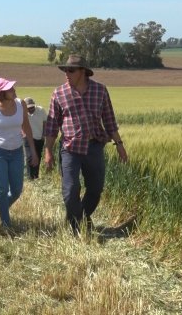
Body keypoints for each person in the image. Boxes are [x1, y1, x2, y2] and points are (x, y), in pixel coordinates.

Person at [44, 54, 128, 236]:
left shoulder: (100, 91)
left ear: (83, 71)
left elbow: (109, 121)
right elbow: (51, 127)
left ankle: (77, 218)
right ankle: (78, 227)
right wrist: (48, 151)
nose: (66, 73)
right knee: (70, 190)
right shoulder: (59, 93)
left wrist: (119, 145)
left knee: (95, 189)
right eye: (65, 70)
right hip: (70, 149)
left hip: (94, 147)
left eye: (71, 70)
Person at [0, 78, 38, 227]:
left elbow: (27, 127)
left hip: (17, 151)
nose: (14, 89)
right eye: (10, 89)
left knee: (17, 190)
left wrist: (33, 152)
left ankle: (2, 207)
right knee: (2, 188)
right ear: (1, 93)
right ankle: (6, 223)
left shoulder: (21, 104)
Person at [23, 97, 48, 179]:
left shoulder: (41, 110)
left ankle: (35, 176)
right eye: (29, 108)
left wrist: (44, 135)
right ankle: (30, 177)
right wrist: (23, 134)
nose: (31, 109)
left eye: (32, 107)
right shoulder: (23, 113)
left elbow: (45, 123)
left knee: (37, 157)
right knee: (29, 157)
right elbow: (20, 124)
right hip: (28, 138)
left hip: (39, 138)